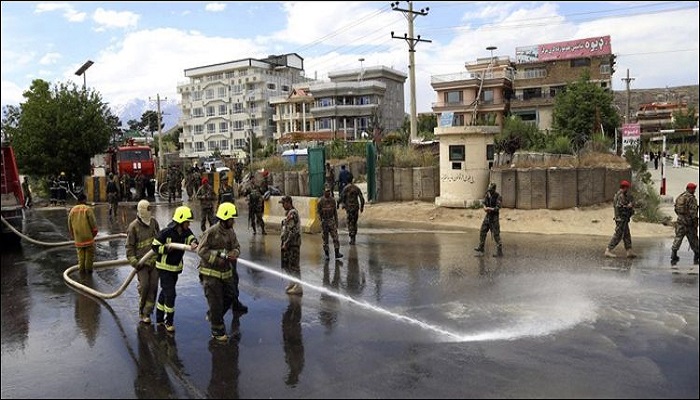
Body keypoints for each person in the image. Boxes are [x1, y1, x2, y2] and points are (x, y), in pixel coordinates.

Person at [197, 202, 247, 341]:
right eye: (232, 218)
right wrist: (217, 260)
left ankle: (214, 316)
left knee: (230, 296)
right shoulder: (212, 232)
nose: (234, 221)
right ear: (225, 218)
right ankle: (217, 330)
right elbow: (201, 250)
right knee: (216, 302)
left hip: (226, 273)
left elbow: (237, 246)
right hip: (211, 274)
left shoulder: (231, 232)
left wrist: (234, 253)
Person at [152, 206, 199, 333]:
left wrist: (194, 242)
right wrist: (166, 249)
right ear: (181, 220)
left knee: (165, 293)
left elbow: (191, 238)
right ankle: (169, 322)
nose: (188, 224)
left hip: (175, 268)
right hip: (164, 268)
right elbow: (155, 246)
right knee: (171, 294)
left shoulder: (185, 231)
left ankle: (159, 318)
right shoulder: (166, 232)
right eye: (187, 222)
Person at [126, 200, 161, 324]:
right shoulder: (133, 227)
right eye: (148, 209)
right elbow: (129, 248)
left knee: (153, 287)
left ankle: (147, 312)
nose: (150, 211)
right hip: (142, 264)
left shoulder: (154, 223)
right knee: (145, 286)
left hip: (155, 262)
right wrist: (135, 262)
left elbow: (159, 239)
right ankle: (141, 310)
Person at [67, 192, 98, 275]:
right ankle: (89, 271)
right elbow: (93, 223)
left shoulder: (72, 210)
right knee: (89, 256)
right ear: (84, 199)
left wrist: (73, 236)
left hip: (78, 238)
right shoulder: (87, 209)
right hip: (88, 237)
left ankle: (81, 271)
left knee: (81, 257)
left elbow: (69, 225)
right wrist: (94, 234)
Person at [604, 180, 636, 258]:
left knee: (626, 235)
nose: (627, 190)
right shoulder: (620, 196)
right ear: (624, 188)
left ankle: (629, 251)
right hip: (621, 219)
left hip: (623, 219)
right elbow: (621, 207)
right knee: (618, 235)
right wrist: (629, 206)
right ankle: (608, 250)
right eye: (627, 188)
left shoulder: (620, 195)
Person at [670, 182, 699, 266]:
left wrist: (681, 217)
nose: (694, 190)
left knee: (678, 238)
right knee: (693, 239)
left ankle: (674, 253)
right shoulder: (691, 198)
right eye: (693, 189)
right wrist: (694, 222)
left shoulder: (681, 196)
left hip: (680, 221)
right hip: (689, 223)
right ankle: (697, 254)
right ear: (690, 189)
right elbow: (693, 212)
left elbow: (676, 209)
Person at [280, 195, 302, 295]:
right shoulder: (289, 213)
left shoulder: (293, 213)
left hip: (293, 243)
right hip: (289, 243)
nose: (282, 206)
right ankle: (293, 282)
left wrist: (286, 243)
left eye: (283, 203)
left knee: (294, 265)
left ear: (288, 202)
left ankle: (298, 286)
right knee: (287, 264)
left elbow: (293, 231)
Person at [474, 182, 503, 257]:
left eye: (491, 190)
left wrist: (491, 209)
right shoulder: (487, 195)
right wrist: (484, 208)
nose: (489, 191)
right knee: (483, 231)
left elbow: (498, 208)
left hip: (494, 217)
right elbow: (484, 203)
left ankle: (499, 251)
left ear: (494, 189)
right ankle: (481, 247)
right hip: (488, 216)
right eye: (489, 190)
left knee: (496, 234)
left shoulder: (498, 196)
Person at [317, 184, 343, 260]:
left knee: (335, 237)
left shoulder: (332, 200)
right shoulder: (320, 201)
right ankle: (327, 254)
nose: (328, 193)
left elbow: (335, 212)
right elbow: (318, 212)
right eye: (326, 191)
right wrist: (321, 220)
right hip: (324, 221)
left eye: (329, 191)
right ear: (324, 192)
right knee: (325, 239)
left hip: (331, 221)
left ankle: (337, 253)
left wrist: (336, 222)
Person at [338, 177, 365, 245]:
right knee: (354, 222)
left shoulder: (346, 188)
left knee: (350, 222)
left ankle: (351, 237)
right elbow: (361, 198)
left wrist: (338, 204)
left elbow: (341, 197)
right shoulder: (356, 188)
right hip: (355, 208)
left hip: (349, 208)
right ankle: (354, 237)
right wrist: (362, 207)